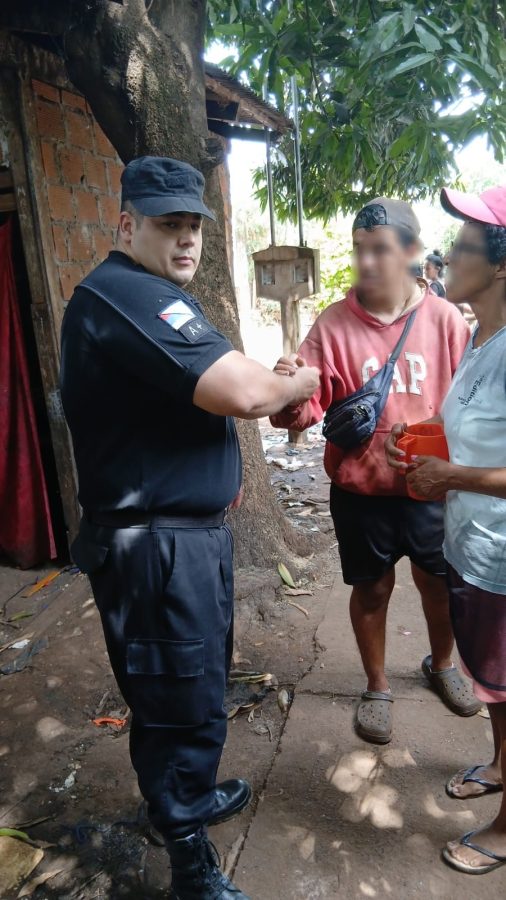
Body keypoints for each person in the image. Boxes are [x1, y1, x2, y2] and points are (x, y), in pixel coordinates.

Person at [59, 156, 320, 900]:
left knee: (198, 683)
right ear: (126, 225)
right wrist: (293, 384)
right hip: (156, 549)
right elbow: (241, 390)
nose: (184, 241)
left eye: (193, 226)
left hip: (182, 539)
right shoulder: (128, 296)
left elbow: (211, 383)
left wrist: (266, 384)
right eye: (167, 225)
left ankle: (190, 799)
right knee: (174, 694)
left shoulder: (150, 295)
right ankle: (186, 856)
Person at [271, 197, 480, 745]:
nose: (367, 262)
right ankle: (378, 685)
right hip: (361, 494)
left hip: (433, 490)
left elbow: (470, 405)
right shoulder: (333, 326)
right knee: (372, 590)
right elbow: (303, 411)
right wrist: (290, 388)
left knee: (439, 585)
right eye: (359, 250)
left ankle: (441, 664)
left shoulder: (446, 322)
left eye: (381, 250)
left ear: (411, 252)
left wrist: (450, 457)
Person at [387, 184, 506, 875]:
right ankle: (498, 763)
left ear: (500, 267)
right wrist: (428, 440)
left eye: (461, 246)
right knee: (491, 682)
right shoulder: (480, 334)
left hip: (500, 558)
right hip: (474, 542)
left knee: (504, 682)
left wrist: (451, 478)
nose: (445, 254)